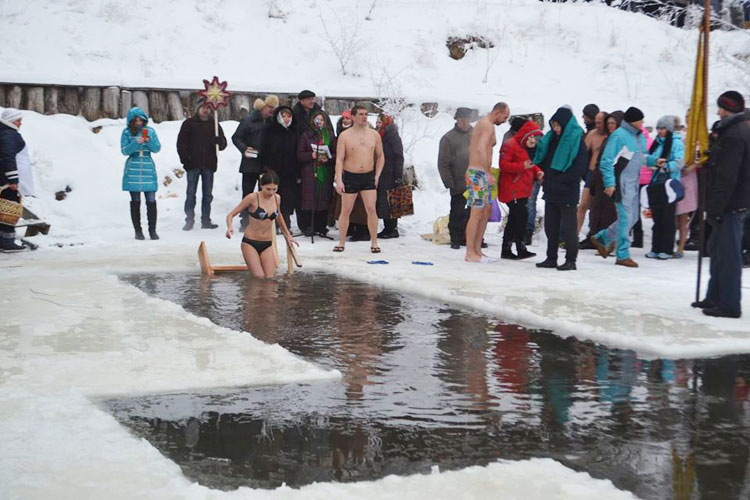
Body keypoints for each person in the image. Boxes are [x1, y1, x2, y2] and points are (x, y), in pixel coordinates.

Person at [692, 91, 750, 318]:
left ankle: (729, 303)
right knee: (716, 250)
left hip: (730, 204)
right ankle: (715, 296)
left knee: (728, 255)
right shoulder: (732, 132)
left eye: (721, 108)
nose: (718, 112)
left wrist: (715, 208)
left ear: (728, 109)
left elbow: (727, 177)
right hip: (729, 203)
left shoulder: (734, 135)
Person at [590, 107, 648, 268]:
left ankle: (602, 238)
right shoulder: (619, 136)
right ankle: (623, 255)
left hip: (633, 183)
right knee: (625, 219)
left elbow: (641, 157)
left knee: (633, 218)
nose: (642, 123)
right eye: (640, 120)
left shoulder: (638, 136)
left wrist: (654, 161)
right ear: (633, 121)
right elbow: (607, 161)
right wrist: (610, 183)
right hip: (621, 184)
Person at [533, 107, 589, 271]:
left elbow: (580, 167)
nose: (555, 129)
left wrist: (560, 180)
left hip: (567, 191)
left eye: (558, 125)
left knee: (568, 228)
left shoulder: (576, 141)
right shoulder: (551, 140)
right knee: (551, 227)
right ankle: (551, 257)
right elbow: (545, 160)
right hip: (551, 189)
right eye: (554, 125)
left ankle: (571, 259)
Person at [225, 169, 298, 279]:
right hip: (250, 242)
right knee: (259, 278)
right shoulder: (252, 198)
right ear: (261, 185)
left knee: (270, 279)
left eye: (274, 189)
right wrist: (230, 227)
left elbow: (278, 216)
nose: (271, 192)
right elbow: (230, 215)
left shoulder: (277, 198)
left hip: (267, 243)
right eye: (268, 189)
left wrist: (287, 235)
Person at [334, 105, 384, 252]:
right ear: (353, 117)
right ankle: (341, 242)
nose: (364, 117)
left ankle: (374, 242)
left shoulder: (374, 135)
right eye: (361, 114)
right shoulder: (345, 136)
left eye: (366, 114)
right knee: (346, 210)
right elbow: (339, 159)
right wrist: (339, 179)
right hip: (351, 175)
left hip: (368, 176)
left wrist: (377, 175)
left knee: (371, 208)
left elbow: (381, 156)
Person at [465, 102, 510, 262]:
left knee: (486, 211)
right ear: (497, 112)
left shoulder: (485, 124)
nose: (505, 120)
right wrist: (486, 171)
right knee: (477, 212)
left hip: (481, 173)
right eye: (505, 117)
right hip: (478, 173)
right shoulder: (487, 125)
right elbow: (480, 148)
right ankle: (470, 252)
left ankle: (477, 250)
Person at [177, 100, 228, 230]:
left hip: (209, 164)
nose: (205, 110)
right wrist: (185, 160)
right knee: (191, 193)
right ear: (198, 109)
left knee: (207, 195)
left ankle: (206, 220)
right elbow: (181, 144)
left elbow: (223, 145)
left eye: (208, 108)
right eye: (203, 108)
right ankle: (189, 220)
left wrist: (219, 141)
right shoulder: (189, 124)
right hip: (192, 164)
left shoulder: (214, 125)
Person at [498, 120, 544, 259]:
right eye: (531, 136)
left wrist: (537, 171)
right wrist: (522, 166)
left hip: (521, 189)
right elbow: (503, 165)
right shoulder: (510, 144)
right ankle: (519, 247)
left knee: (514, 218)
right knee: (521, 216)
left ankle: (509, 249)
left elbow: (529, 164)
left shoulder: (523, 147)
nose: (533, 140)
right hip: (512, 189)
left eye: (535, 137)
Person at [231, 95, 278, 230]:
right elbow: (236, 137)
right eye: (269, 107)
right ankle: (245, 221)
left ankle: (262, 219)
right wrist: (244, 149)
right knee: (248, 193)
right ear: (262, 107)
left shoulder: (272, 123)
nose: (272, 110)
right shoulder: (248, 120)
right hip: (250, 163)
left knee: (265, 193)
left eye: (273, 108)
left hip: (266, 163)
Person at [644, 115, 684, 259]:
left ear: (670, 129)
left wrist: (665, 165)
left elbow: (680, 162)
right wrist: (654, 162)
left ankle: (666, 249)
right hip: (656, 182)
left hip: (669, 185)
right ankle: (655, 247)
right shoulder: (657, 143)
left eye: (663, 128)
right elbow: (648, 158)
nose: (660, 131)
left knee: (667, 218)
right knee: (657, 217)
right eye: (659, 128)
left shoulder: (677, 143)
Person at [120, 107, 161, 240]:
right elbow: (124, 151)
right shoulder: (126, 132)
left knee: (151, 200)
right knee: (135, 201)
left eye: (140, 120)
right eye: (135, 120)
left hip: (148, 167)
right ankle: (138, 231)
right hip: (133, 169)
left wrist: (149, 141)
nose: (138, 122)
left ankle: (152, 231)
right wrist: (135, 143)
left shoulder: (150, 131)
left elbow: (157, 148)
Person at [438, 107, 474, 249]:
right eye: (462, 120)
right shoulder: (448, 138)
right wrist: (449, 182)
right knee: (457, 212)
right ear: (457, 120)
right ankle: (456, 238)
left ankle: (471, 237)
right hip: (458, 181)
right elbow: (443, 163)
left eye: (467, 120)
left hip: (475, 181)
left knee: (474, 212)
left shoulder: (475, 134)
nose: (465, 123)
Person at [297, 110, 337, 236]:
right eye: (317, 119)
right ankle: (309, 226)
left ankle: (321, 225)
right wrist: (311, 155)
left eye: (322, 120)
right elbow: (300, 154)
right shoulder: (306, 135)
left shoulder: (330, 136)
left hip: (325, 171)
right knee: (310, 198)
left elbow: (336, 153)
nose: (320, 122)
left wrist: (329, 158)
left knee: (323, 198)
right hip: (310, 172)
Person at [261, 105, 299, 231]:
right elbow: (263, 149)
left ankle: (285, 224)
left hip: (290, 172)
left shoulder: (294, 131)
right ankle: (271, 223)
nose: (287, 119)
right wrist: (265, 168)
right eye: (284, 116)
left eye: (289, 116)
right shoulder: (270, 130)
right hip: (273, 170)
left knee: (287, 199)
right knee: (272, 197)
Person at [577, 111, 609, 246]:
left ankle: (599, 237)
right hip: (592, 174)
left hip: (605, 175)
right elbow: (583, 152)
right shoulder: (592, 134)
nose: (597, 125)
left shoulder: (611, 136)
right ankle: (573, 236)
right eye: (596, 122)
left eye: (600, 123)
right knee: (583, 205)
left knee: (601, 208)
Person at [0, 108, 27, 252]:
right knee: (9, 209)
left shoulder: (4, 132)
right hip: (6, 180)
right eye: (18, 120)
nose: (20, 123)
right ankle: (7, 242)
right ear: (10, 120)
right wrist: (13, 180)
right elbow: (8, 157)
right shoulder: (9, 134)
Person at [376, 113, 405, 239]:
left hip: (390, 173)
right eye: (377, 122)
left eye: (380, 122)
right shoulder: (379, 134)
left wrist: (398, 175)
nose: (377, 124)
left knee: (390, 201)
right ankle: (387, 227)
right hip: (381, 172)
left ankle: (392, 228)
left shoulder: (393, 136)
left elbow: (399, 156)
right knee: (383, 201)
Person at [675, 110, 699, 258]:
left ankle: (681, 247)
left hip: (689, 177)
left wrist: (691, 167)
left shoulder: (698, 136)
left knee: (683, 215)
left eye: (690, 116)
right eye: (686, 116)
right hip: (677, 175)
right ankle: (678, 240)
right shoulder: (682, 135)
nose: (687, 119)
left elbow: (700, 157)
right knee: (675, 215)